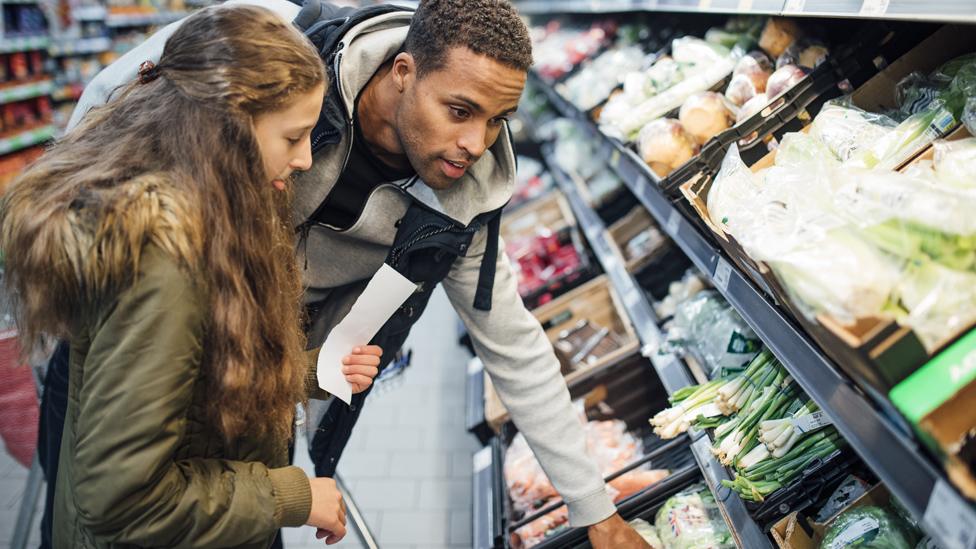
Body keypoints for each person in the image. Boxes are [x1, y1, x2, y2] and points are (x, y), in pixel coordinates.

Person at [68, 0, 653, 545]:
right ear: (404, 70)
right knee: (96, 497)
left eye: (498, 119)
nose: (476, 142)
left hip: (254, 381)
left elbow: (514, 343)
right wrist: (102, 270)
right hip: (137, 332)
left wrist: (592, 505)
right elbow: (109, 108)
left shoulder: (466, 197)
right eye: (459, 110)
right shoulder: (278, 47)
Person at [0, 5, 385, 547]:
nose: (304, 160)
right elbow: (123, 500)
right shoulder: (162, 256)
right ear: (225, 130)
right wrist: (294, 496)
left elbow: (198, 374)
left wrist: (304, 371)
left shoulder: (217, 214)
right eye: (293, 137)